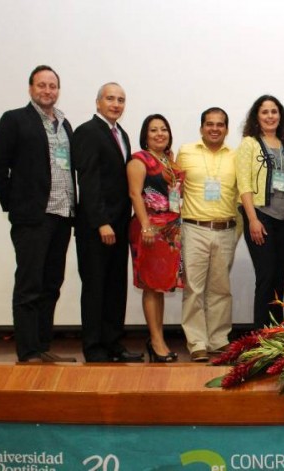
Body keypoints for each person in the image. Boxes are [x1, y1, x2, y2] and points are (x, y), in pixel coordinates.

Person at [0, 65, 77, 363]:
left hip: (63, 216)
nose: (47, 91)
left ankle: (42, 346)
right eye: (42, 85)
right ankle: (27, 351)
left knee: (52, 284)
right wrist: (16, 205)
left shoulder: (64, 124)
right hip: (33, 218)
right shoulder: (14, 120)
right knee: (29, 285)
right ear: (30, 88)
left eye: (52, 86)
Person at [72, 82, 142, 363]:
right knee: (96, 287)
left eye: (121, 100)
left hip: (119, 224)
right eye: (110, 99)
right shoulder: (87, 132)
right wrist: (101, 222)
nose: (116, 104)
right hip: (96, 227)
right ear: (98, 102)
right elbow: (88, 181)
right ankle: (94, 347)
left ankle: (113, 343)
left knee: (115, 286)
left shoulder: (120, 134)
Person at [236, 96, 284, 329]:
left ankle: (276, 333)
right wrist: (252, 219)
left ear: (280, 116)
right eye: (265, 112)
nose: (270, 116)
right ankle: (260, 336)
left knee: (278, 278)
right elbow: (243, 183)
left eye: (274, 112)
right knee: (266, 276)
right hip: (261, 216)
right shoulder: (249, 144)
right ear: (257, 117)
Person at [179, 108, 239, 361]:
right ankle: (197, 342)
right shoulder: (185, 152)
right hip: (194, 228)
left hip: (225, 229)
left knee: (220, 289)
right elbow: (174, 188)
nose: (215, 129)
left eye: (220, 125)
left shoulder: (236, 156)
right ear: (201, 127)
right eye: (209, 124)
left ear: (226, 128)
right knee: (193, 288)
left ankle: (218, 340)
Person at [127, 114, 183, 363]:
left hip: (170, 231)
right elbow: (135, 194)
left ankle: (157, 338)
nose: (159, 134)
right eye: (153, 130)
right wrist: (147, 226)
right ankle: (157, 341)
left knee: (160, 287)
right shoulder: (140, 160)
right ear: (145, 135)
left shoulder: (168, 160)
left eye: (164, 129)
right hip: (150, 230)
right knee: (151, 286)